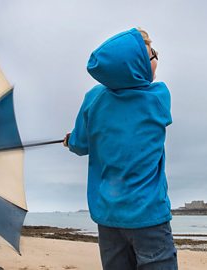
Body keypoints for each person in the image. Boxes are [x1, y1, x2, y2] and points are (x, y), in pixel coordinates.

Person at [64, 28, 177, 270]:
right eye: (152, 55)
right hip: (148, 216)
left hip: (108, 216)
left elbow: (80, 144)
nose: (156, 59)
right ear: (136, 66)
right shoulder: (158, 96)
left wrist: (71, 139)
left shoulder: (93, 99)